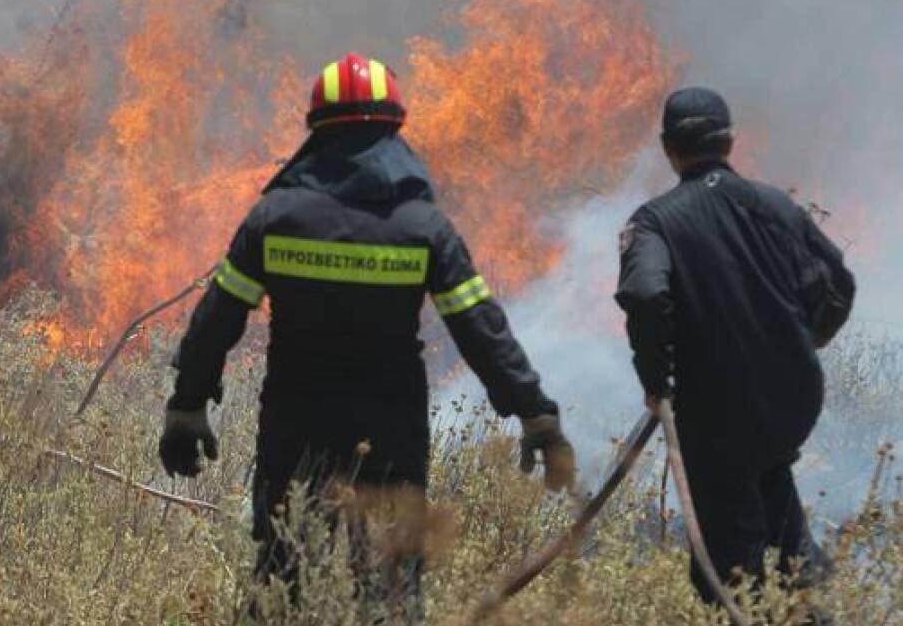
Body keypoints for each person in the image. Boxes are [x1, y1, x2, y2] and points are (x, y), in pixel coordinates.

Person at [158, 53, 575, 621]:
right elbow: (481, 330)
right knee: (391, 590)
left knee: (282, 579)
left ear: (316, 131)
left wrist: (187, 405)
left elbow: (218, 318)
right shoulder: (421, 227)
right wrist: (536, 414)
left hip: (295, 425)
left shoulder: (276, 217)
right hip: (390, 433)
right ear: (394, 131)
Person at [616, 87, 855, 619]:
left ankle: (750, 604)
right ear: (729, 141)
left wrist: (655, 378)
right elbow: (839, 282)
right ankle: (807, 589)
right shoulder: (774, 205)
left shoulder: (655, 221)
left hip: (717, 409)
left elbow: (646, 293)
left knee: (730, 561)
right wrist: (809, 337)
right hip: (793, 399)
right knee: (770, 481)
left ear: (668, 147)